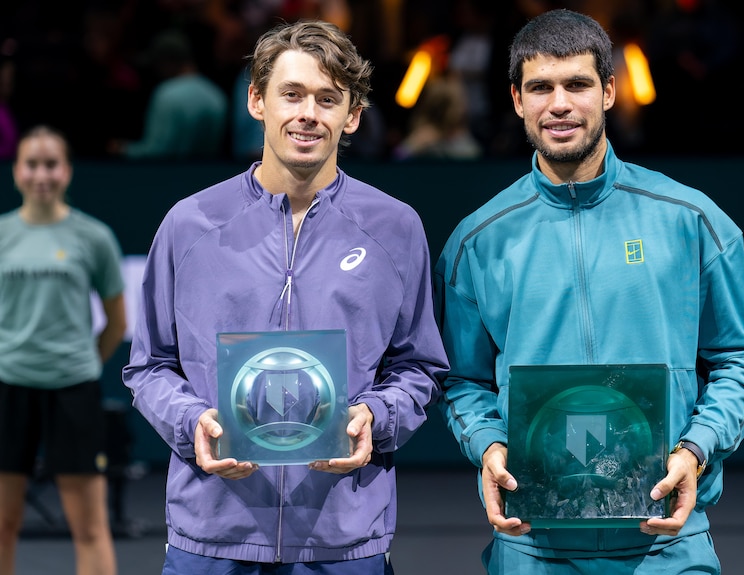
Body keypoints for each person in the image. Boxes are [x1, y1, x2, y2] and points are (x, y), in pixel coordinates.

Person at [433, 9, 744, 574]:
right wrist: (489, 446)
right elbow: (462, 381)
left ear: (609, 91)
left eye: (578, 84)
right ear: (517, 99)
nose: (559, 104)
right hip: (532, 544)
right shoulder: (478, 240)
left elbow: (739, 362)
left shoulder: (693, 221)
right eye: (540, 87)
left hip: (665, 542)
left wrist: (696, 449)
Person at [122, 19, 447, 574]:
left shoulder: (395, 228)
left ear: (353, 116)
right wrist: (192, 420)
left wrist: (375, 415)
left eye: (328, 99)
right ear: (257, 101)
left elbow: (420, 368)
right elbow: (149, 366)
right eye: (291, 94)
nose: (308, 114)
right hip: (212, 534)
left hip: (343, 538)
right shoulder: (189, 223)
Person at [0, 125, 126, 575]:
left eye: (51, 164)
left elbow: (116, 322)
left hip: (74, 389)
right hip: (8, 389)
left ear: (67, 171)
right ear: (16, 171)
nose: (41, 174)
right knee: (3, 524)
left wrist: (84, 361)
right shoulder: (2, 235)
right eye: (32, 164)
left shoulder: (92, 237)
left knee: (90, 528)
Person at [109, 29, 227, 160]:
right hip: (209, 174)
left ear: (167, 62)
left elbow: (156, 151)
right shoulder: (216, 95)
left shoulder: (166, 95)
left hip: (170, 176)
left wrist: (122, 149)